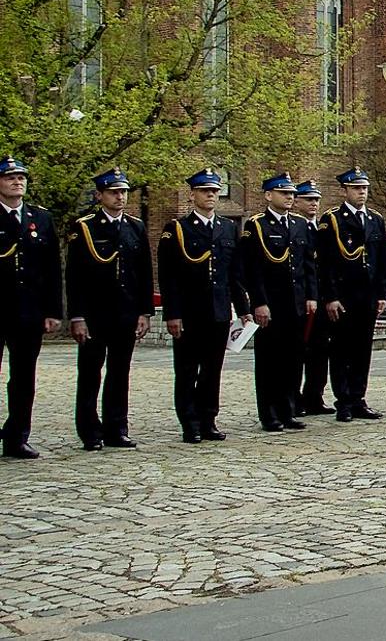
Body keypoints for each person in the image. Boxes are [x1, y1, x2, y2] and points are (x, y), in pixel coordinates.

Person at [156, 169, 246, 443]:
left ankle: (208, 418)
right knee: (186, 369)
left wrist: (242, 308)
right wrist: (173, 313)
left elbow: (234, 274)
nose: (210, 195)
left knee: (212, 369)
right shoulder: (178, 230)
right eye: (205, 190)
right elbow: (168, 276)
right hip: (189, 312)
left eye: (214, 191)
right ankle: (189, 421)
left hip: (218, 311)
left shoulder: (228, 228)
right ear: (192, 194)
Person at [67, 168, 154, 450]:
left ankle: (117, 428)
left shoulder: (135, 226)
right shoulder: (85, 227)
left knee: (120, 372)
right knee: (91, 373)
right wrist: (77, 315)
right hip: (95, 314)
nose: (120, 197)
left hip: (126, 312)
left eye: (124, 192)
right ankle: (90, 431)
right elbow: (75, 276)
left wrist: (144, 311)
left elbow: (143, 272)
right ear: (99, 196)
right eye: (114, 192)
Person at [240, 172, 317, 433]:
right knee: (269, 362)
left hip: (295, 302)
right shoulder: (257, 225)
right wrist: (259, 302)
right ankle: (270, 413)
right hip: (272, 305)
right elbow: (253, 269)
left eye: (292, 194)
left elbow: (307, 264)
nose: (289, 198)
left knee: (293, 360)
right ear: (268, 195)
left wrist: (311, 296)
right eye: (284, 193)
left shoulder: (298, 224)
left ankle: (288, 409)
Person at [0, 156, 60, 459]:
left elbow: (51, 268)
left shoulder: (40, 218)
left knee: (24, 377)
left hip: (29, 311)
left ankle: (17, 436)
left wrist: (52, 311)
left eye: (21, 177)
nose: (17, 181)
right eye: (11, 177)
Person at [316, 168, 386, 422]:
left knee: (362, 350)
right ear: (344, 190)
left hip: (367, 295)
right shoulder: (333, 219)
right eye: (357, 188)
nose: (362, 193)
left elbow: (380, 261)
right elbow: (325, 263)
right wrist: (330, 296)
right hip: (344, 294)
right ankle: (343, 400)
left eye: (364, 188)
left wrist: (381, 293)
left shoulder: (375, 219)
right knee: (342, 350)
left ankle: (358, 397)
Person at [294, 180, 334, 416]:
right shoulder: (295, 228)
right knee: (300, 350)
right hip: (302, 299)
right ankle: (295, 398)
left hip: (321, 298)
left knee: (320, 351)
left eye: (316, 200)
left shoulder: (322, 229)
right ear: (297, 201)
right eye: (308, 199)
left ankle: (314, 396)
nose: (313, 204)